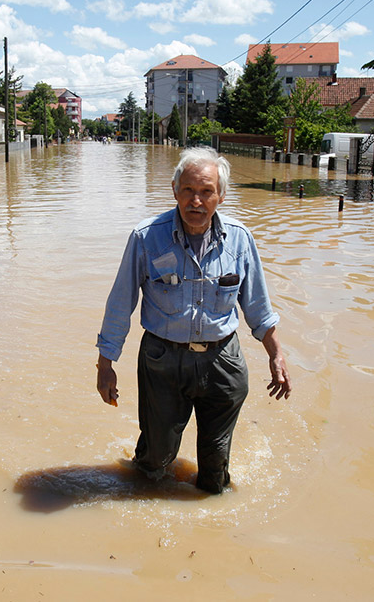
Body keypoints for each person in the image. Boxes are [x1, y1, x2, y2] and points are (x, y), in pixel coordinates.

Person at [95, 146, 291, 494]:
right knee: (157, 457)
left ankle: (208, 527)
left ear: (221, 196)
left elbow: (257, 306)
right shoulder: (146, 237)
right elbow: (120, 302)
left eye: (206, 192)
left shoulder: (240, 239)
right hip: (163, 361)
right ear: (175, 191)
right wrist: (105, 364)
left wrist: (276, 353)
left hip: (222, 362)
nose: (196, 201)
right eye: (188, 190)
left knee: (215, 466)